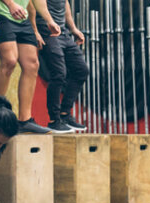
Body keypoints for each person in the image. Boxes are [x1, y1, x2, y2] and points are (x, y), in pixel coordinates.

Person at [0, 0, 64, 133]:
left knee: (32, 64)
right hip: (0, 15)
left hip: (22, 19)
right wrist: (11, 4)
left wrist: (49, 21)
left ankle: (25, 120)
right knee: (9, 61)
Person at [36, 0, 88, 132]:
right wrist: (47, 23)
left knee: (81, 70)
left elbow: (64, 4)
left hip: (62, 31)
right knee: (59, 73)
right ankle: (54, 120)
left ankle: (65, 114)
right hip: (47, 28)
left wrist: (74, 29)